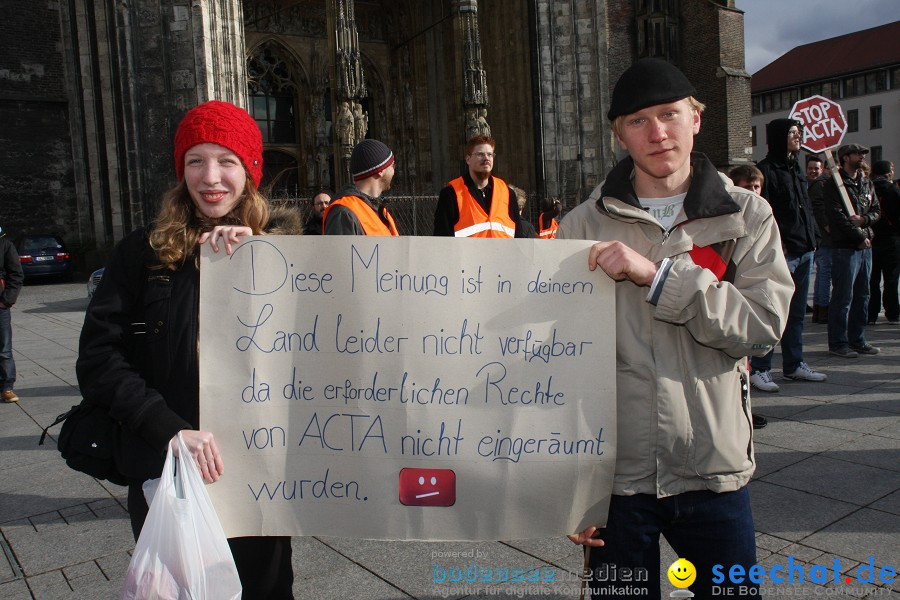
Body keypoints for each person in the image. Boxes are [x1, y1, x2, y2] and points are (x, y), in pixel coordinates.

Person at [559, 58, 792, 600]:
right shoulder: (580, 226)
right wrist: (567, 490)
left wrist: (660, 277)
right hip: (616, 479)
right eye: (638, 121)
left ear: (697, 118)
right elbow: (558, 365)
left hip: (712, 470)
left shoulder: (745, 217)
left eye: (670, 114)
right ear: (619, 134)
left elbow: (760, 330)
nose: (658, 132)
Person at [76, 100, 294, 598]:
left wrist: (260, 260)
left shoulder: (282, 249)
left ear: (249, 172)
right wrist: (167, 429)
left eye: (227, 161)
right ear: (181, 171)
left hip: (257, 475)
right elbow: (99, 360)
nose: (211, 176)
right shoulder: (141, 252)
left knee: (266, 589)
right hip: (168, 467)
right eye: (196, 160)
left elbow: (323, 348)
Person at [749, 118, 825, 393]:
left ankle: (794, 364)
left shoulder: (796, 169)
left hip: (804, 249)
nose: (798, 137)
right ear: (780, 136)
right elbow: (764, 212)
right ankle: (760, 368)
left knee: (795, 313)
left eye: (799, 133)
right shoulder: (766, 170)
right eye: (793, 133)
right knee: (772, 311)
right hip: (784, 251)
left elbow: (804, 207)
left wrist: (813, 237)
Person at [823, 143, 880, 357]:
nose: (862, 157)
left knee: (863, 295)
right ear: (846, 157)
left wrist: (865, 220)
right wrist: (858, 237)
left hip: (866, 248)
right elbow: (838, 217)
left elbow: (876, 211)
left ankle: (858, 339)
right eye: (858, 154)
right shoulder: (834, 185)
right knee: (843, 297)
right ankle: (838, 343)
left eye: (863, 154)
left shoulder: (866, 183)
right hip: (845, 248)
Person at [728, 165, 771, 429]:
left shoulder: (761, 214)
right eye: (746, 188)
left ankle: (744, 410)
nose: (753, 193)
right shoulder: (730, 216)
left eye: (756, 187)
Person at [433, 135, 524, 237]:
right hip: (467, 253)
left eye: (490, 154)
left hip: (502, 253)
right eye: (480, 154)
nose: (486, 158)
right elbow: (442, 238)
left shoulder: (507, 193)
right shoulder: (451, 194)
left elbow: (519, 237)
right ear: (468, 159)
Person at [323, 139, 399, 236]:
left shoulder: (380, 211)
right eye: (392, 166)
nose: (394, 170)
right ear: (380, 171)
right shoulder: (344, 213)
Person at [869, 160, 900, 324]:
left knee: (872, 280)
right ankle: (893, 312)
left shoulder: (868, 188)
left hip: (871, 239)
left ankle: (871, 314)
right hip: (892, 239)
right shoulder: (893, 191)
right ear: (888, 172)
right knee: (891, 278)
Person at [0, 227, 24, 403]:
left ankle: (7, 387)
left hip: (0, 306)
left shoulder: (5, 244)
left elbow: (16, 274)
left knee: (4, 349)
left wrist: (6, 300)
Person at [807, 154, 832, 324]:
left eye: (816, 168)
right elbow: (819, 210)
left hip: (816, 236)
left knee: (822, 272)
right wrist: (828, 227)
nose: (813, 171)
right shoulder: (819, 185)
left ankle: (818, 309)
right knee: (825, 273)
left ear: (822, 169)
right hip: (822, 237)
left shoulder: (813, 184)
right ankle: (822, 309)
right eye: (811, 168)